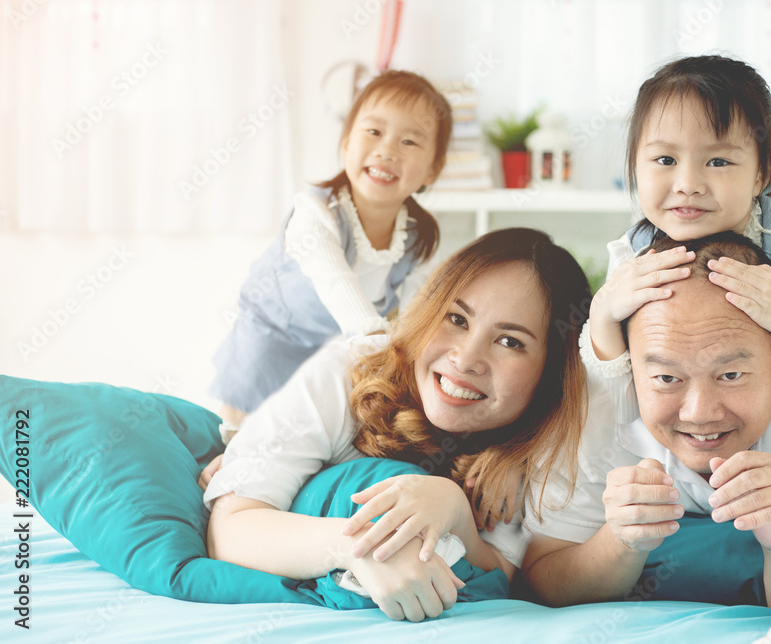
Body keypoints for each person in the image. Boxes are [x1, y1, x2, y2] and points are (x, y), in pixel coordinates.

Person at [202, 227, 592, 622]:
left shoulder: (534, 450)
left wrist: (455, 508)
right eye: (457, 318)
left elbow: (502, 575)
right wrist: (358, 549)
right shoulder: (345, 377)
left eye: (510, 342)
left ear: (550, 374)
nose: (466, 358)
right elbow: (229, 531)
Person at [521, 231, 771, 609]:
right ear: (629, 368)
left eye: (730, 375)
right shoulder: (588, 413)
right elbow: (540, 581)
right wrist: (620, 542)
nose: (699, 413)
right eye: (666, 378)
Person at [588, 55, 771, 438]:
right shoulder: (631, 255)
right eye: (665, 159)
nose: (688, 183)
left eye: (718, 161)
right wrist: (603, 315)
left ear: (761, 174)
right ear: (635, 169)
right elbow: (624, 408)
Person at [208, 70, 451, 442]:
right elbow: (335, 281)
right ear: (347, 142)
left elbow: (419, 311)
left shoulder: (417, 236)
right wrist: (375, 341)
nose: (387, 150)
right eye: (374, 132)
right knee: (237, 438)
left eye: (409, 142)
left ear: (433, 169)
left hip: (337, 352)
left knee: (308, 440)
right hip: (272, 340)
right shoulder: (315, 212)